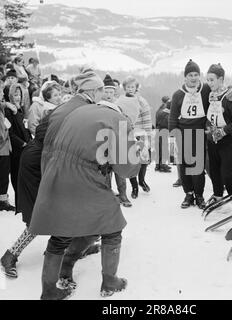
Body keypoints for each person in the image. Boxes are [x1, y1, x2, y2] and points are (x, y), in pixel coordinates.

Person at [28, 70, 140, 300]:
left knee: (61, 232)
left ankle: (49, 290)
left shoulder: (83, 110)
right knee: (112, 227)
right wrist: (136, 153)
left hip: (55, 173)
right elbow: (126, 169)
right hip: (82, 176)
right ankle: (110, 282)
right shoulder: (119, 121)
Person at [0, 70, 104, 279]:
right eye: (101, 90)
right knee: (42, 214)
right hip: (39, 162)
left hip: (48, 159)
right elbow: (47, 135)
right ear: (93, 91)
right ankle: (10, 256)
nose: (102, 94)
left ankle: (75, 246)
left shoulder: (80, 105)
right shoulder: (78, 108)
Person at [169, 59, 210, 209]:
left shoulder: (205, 90)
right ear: (185, 77)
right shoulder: (178, 94)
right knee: (185, 165)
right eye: (190, 75)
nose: (193, 78)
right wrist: (172, 135)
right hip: (183, 132)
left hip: (200, 131)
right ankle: (188, 194)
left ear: (200, 76)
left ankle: (199, 195)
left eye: (196, 74)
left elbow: (220, 93)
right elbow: (173, 116)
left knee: (197, 166)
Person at [205, 63, 232, 215]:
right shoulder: (212, 95)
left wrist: (224, 131)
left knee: (227, 173)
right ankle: (218, 196)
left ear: (221, 79)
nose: (209, 83)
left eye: (212, 80)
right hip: (212, 139)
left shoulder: (231, 97)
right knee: (214, 171)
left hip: (227, 141)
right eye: (207, 80)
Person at [116, 76, 152, 199]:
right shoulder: (120, 101)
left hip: (141, 134)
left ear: (136, 88)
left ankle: (141, 180)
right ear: (124, 88)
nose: (130, 89)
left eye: (133, 87)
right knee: (131, 161)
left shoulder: (141, 101)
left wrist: (148, 137)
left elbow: (147, 119)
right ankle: (135, 186)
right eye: (128, 87)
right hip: (128, 134)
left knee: (143, 160)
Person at [101, 74, 132, 208]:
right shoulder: (99, 106)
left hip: (118, 143)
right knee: (106, 170)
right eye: (106, 91)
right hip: (103, 143)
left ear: (115, 93)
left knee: (120, 170)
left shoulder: (119, 107)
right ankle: (108, 195)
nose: (108, 94)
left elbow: (126, 123)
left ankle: (123, 194)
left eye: (111, 92)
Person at [5, 83, 32, 212]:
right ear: (10, 95)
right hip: (16, 150)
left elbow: (25, 129)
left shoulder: (20, 110)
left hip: (25, 148)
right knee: (16, 177)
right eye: (15, 94)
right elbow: (10, 133)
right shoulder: (8, 110)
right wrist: (22, 143)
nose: (18, 97)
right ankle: (19, 206)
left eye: (20, 94)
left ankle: (23, 205)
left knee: (23, 178)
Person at [0, 79, 15, 211]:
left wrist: (7, 105)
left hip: (4, 148)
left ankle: (3, 200)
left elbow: (2, 104)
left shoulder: (1, 105)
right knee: (3, 177)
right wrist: (7, 128)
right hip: (2, 148)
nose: (1, 93)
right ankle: (3, 202)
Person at [155, 96, 172, 172]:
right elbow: (166, 122)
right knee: (163, 148)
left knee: (159, 148)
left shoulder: (159, 109)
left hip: (159, 129)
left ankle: (158, 165)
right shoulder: (166, 111)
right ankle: (162, 165)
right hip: (163, 130)